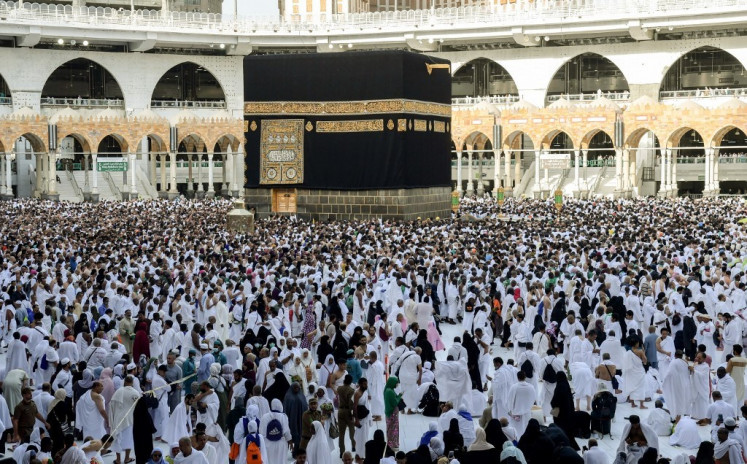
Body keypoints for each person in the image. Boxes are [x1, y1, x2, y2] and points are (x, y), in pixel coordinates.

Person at [551, 372, 580, 450]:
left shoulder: (559, 387)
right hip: (568, 412)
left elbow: (555, 401)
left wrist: (553, 404)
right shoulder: (566, 385)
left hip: (561, 414)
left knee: (561, 430)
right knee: (568, 431)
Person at [259, 398, 293, 464]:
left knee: (269, 460)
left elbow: (261, 432)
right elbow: (286, 431)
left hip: (267, 444)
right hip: (280, 444)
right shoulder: (283, 416)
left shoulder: (264, 417)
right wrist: (290, 441)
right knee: (280, 460)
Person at [384, 376, 402, 450]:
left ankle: (390, 443)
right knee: (393, 428)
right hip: (392, 413)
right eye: (396, 383)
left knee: (390, 428)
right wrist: (400, 396)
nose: (396, 385)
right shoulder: (390, 391)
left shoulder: (387, 389)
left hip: (389, 412)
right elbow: (395, 402)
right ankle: (393, 444)